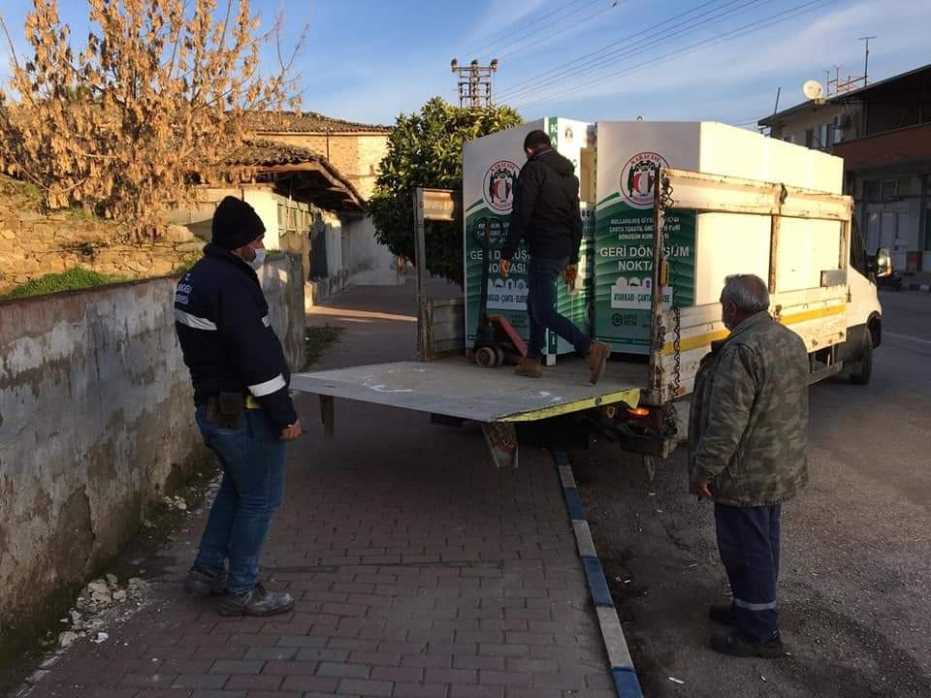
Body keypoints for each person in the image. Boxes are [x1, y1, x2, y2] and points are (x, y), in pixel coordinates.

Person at [174, 196, 302, 617]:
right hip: (245, 409)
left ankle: (207, 571)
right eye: (257, 237)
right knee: (261, 499)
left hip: (215, 406)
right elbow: (256, 358)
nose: (261, 244)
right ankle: (242, 589)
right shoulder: (232, 284)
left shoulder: (197, 278)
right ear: (238, 242)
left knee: (237, 488)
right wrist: (284, 414)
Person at [688, 274, 809, 657]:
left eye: (723, 304)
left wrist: (704, 470)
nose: (722, 310)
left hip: (745, 474)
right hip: (776, 466)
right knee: (764, 545)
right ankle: (749, 609)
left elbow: (727, 423)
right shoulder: (789, 339)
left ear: (732, 308)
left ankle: (758, 634)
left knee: (746, 550)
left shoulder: (742, 351)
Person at [499, 129, 610, 384]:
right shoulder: (569, 177)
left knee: (543, 310)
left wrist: (507, 252)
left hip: (544, 250)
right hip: (561, 251)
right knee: (534, 303)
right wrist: (572, 259)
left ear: (529, 150)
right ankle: (532, 359)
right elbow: (576, 221)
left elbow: (521, 213)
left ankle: (589, 348)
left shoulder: (533, 170)